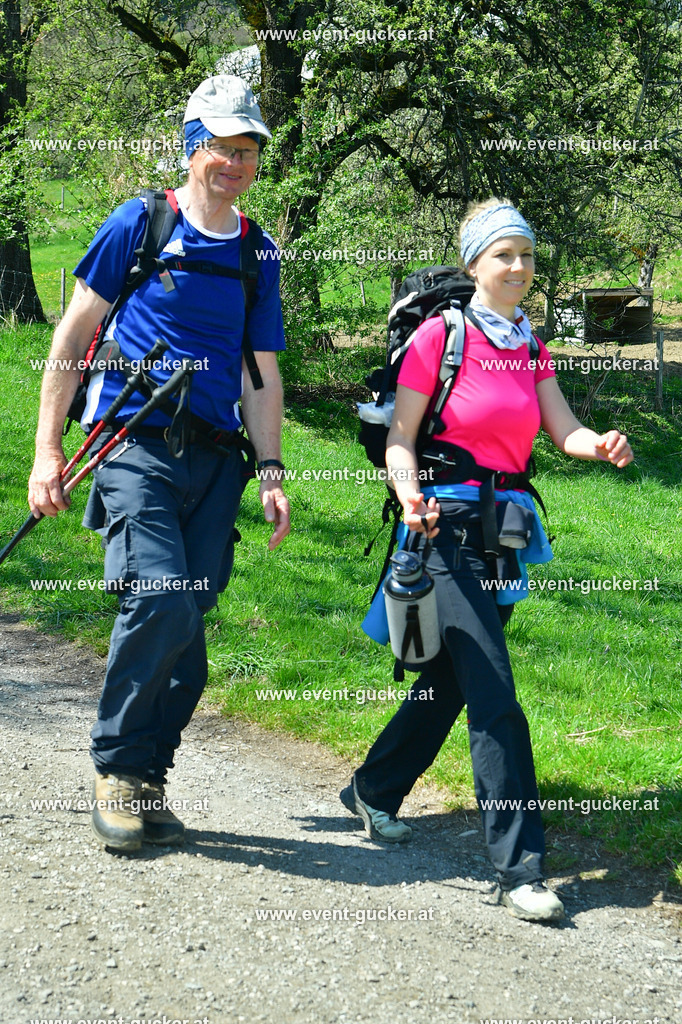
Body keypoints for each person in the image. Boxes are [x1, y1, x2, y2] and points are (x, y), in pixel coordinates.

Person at [341, 198, 633, 922]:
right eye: (504, 254)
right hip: (442, 525)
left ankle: (373, 789)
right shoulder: (441, 336)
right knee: (495, 692)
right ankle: (519, 867)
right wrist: (408, 495)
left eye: (526, 255)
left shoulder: (529, 343)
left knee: (452, 677)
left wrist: (599, 444)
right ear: (474, 263)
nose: (519, 266)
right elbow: (401, 437)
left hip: (503, 528)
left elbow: (561, 428)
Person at [27, 75, 290, 852]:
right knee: (162, 598)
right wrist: (47, 451)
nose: (235, 163)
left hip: (214, 459)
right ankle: (115, 768)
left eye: (247, 150)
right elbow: (73, 336)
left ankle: (147, 778)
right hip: (131, 441)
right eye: (221, 147)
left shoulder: (257, 250)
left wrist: (271, 470)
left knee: (188, 628)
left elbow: (260, 372)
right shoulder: (140, 223)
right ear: (191, 147)